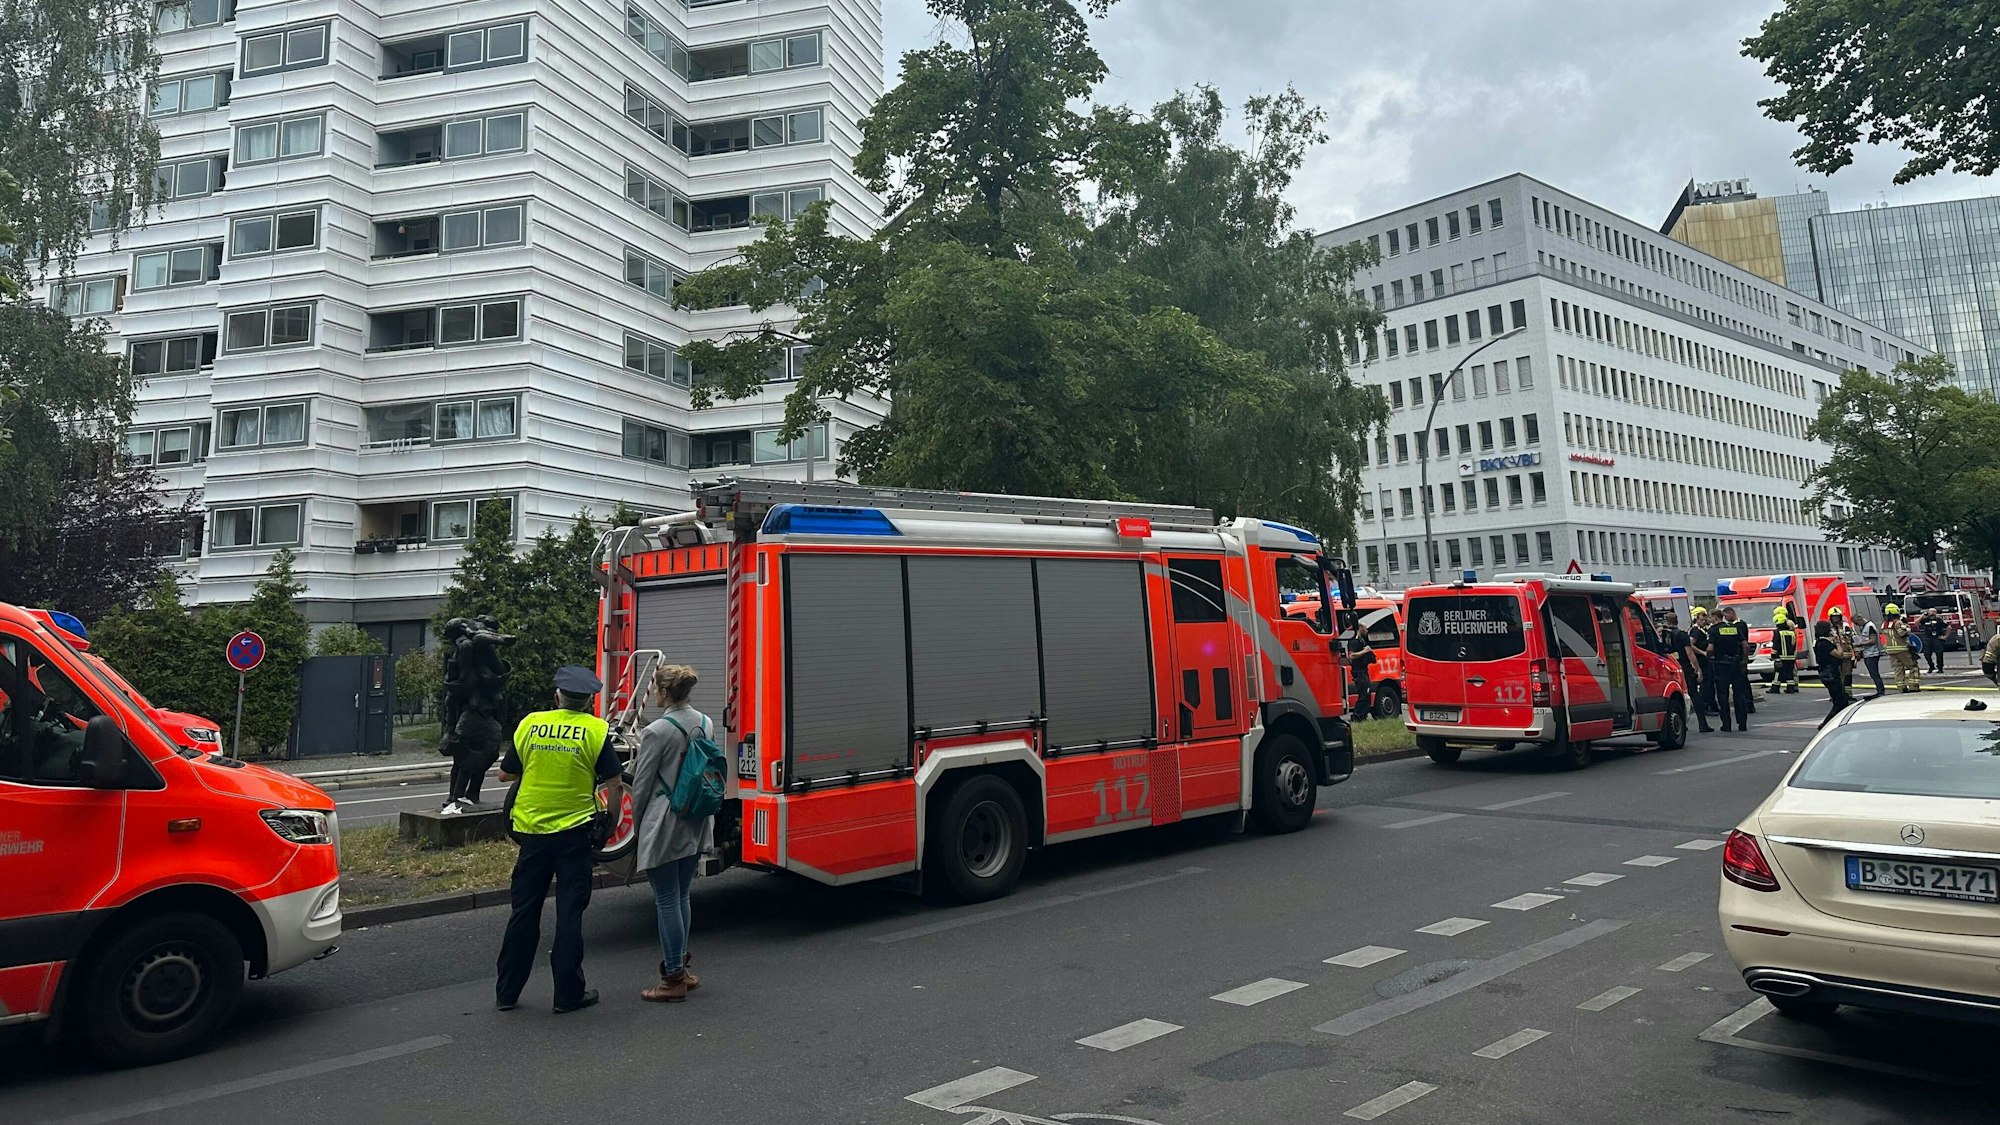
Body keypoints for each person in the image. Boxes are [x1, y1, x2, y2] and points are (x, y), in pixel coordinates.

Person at [494, 665, 621, 1015]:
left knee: (523, 912)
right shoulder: (596, 731)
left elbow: (506, 773)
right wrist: (609, 821)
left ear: (557, 696)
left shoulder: (531, 723)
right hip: (575, 835)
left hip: (531, 833)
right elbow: (614, 783)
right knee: (569, 913)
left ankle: (507, 992)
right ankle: (567, 994)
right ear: (588, 703)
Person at [631, 664, 716, 1004]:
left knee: (666, 899)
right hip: (695, 816)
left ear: (664, 693)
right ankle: (682, 967)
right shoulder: (706, 722)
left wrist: (638, 828)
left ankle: (673, 979)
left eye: (654, 689)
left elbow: (641, 785)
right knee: (682, 895)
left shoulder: (657, 731)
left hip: (665, 820)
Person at [1708, 606, 1752, 731]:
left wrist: (1709, 657)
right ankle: (1742, 724)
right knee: (1739, 694)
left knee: (1723, 695)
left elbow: (1710, 648)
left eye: (1711, 618)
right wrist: (1744, 660)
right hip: (1736, 664)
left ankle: (1726, 725)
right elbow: (1746, 646)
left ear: (1715, 618)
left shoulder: (1713, 630)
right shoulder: (1734, 628)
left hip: (1721, 665)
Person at [1814, 620, 1854, 727]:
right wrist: (1837, 642)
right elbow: (1839, 654)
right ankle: (1825, 724)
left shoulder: (1818, 642)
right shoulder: (1824, 643)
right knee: (1839, 702)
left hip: (1825, 672)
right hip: (1830, 673)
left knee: (1843, 700)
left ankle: (1840, 722)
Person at [1883, 604, 1921, 693]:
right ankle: (1913, 687)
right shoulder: (1898, 622)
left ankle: (1901, 688)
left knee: (1898, 669)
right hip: (1902, 649)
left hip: (1891, 650)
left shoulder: (1884, 624)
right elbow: (1903, 633)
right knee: (1913, 667)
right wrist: (1906, 626)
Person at [1689, 607, 1716, 732]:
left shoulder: (1702, 630)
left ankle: (1709, 705)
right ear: (1696, 619)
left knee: (1709, 683)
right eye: (1702, 619)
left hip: (1706, 661)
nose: (1704, 621)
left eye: (1705, 619)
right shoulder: (1695, 631)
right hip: (1701, 660)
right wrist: (1703, 653)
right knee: (1705, 683)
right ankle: (1704, 706)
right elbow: (1690, 645)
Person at [1853, 611, 1887, 698]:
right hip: (1868, 653)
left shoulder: (1870, 626)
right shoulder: (1864, 627)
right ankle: (1880, 690)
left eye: (1856, 623)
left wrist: (1861, 644)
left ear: (1860, 619)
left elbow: (1873, 640)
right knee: (1873, 674)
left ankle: (1881, 691)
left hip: (1872, 654)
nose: (1857, 625)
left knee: (1874, 674)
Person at [1767, 608, 1800, 695]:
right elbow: (1794, 643)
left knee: (1778, 673)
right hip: (1791, 656)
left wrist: (1774, 656)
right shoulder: (1791, 633)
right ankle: (1790, 688)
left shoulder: (1777, 632)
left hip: (1781, 656)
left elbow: (1776, 645)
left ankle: (1775, 688)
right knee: (1789, 673)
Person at [1920, 609, 1949, 674]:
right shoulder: (1925, 619)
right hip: (1928, 638)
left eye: (1933, 611)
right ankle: (1931, 666)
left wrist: (1945, 636)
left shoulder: (1939, 620)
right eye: (1930, 611)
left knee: (1939, 654)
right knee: (1926, 654)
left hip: (1937, 638)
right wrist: (1923, 615)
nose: (1932, 613)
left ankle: (1940, 668)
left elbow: (1949, 627)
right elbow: (1916, 622)